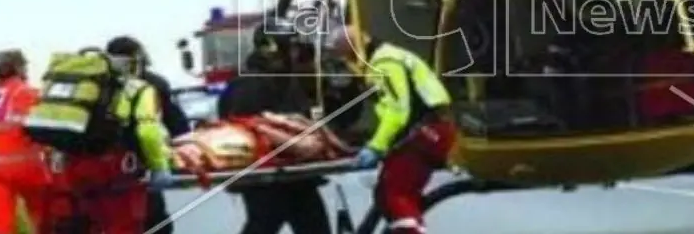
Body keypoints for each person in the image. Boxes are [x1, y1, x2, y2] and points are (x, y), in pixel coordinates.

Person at [332, 25, 456, 234]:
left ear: (353, 50)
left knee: (395, 190)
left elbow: (397, 112)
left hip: (427, 131)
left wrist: (376, 146)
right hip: (432, 128)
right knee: (385, 194)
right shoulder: (390, 56)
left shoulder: (384, 63)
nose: (348, 65)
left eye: (345, 57)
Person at [38, 44, 174, 234]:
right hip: (116, 170)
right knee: (122, 226)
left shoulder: (78, 89)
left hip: (74, 168)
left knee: (87, 224)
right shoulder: (138, 89)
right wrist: (159, 166)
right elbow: (147, 132)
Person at [216, 15, 332, 234]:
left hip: (295, 177)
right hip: (265, 180)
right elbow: (247, 129)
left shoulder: (285, 80)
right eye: (292, 46)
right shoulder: (249, 83)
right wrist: (295, 145)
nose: (296, 53)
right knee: (264, 225)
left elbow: (301, 118)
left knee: (314, 227)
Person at [106, 35, 191, 234]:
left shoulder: (98, 84)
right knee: (154, 223)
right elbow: (159, 128)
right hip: (135, 164)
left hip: (95, 166)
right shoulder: (150, 84)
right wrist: (161, 164)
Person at [0, 49, 50, 234]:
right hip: (23, 166)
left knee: (0, 226)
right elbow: (45, 129)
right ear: (20, 68)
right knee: (44, 218)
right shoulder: (26, 92)